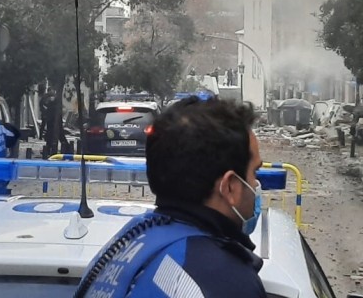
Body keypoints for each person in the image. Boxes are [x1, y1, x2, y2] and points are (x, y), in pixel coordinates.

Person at [75, 97, 267, 297]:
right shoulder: (225, 280)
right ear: (229, 187)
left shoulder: (129, 243)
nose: (255, 186)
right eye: (255, 173)